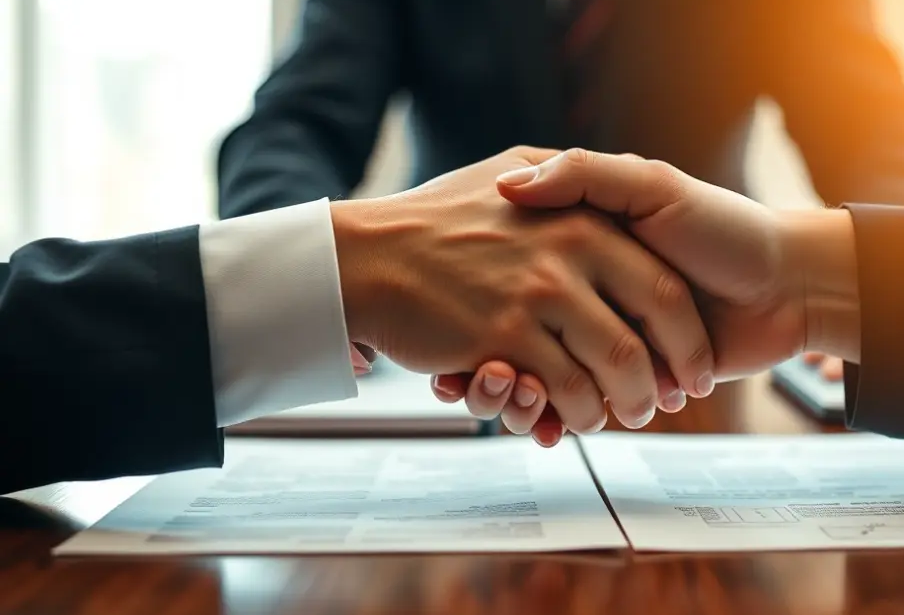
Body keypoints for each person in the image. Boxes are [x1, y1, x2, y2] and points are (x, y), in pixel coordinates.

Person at [216, 0, 904, 388]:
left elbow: (880, 131)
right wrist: (317, 296)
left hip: (708, 351)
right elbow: (293, 125)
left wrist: (868, 297)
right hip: (460, 345)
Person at [0, 147, 718, 495]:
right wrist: (340, 270)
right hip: (459, 322)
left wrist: (827, 306)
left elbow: (832, 97)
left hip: (689, 341)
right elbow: (290, 124)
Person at [440, 149, 904, 464]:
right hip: (473, 315)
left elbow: (876, 124)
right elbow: (317, 114)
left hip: (700, 331)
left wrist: (845, 298)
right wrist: (340, 307)